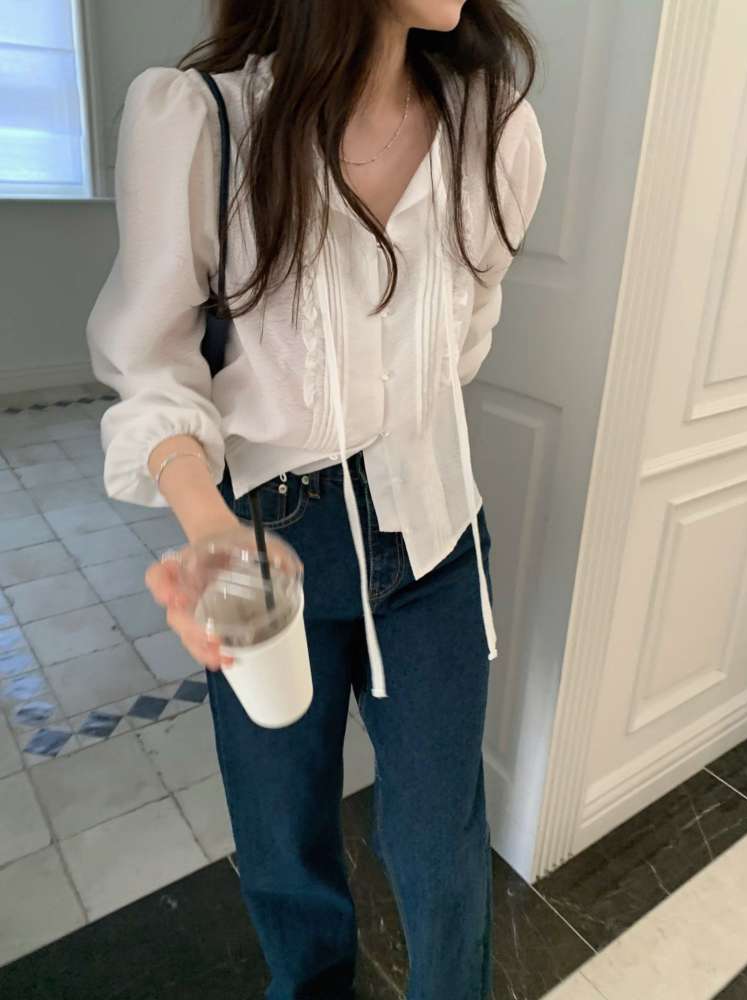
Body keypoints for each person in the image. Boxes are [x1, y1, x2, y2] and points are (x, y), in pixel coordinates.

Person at [86, 1, 546, 996]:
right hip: (268, 539)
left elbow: (466, 337)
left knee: (441, 842)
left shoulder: (495, 130)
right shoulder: (202, 125)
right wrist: (209, 528)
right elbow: (152, 368)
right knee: (284, 844)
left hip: (434, 533)